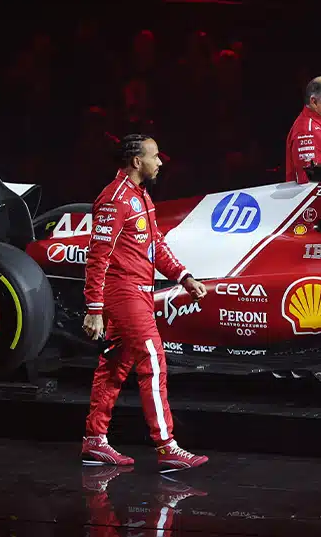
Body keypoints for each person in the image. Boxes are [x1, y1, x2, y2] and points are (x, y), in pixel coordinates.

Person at [81, 134, 210, 472]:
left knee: (114, 366)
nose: (160, 162)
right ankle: (166, 445)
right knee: (152, 361)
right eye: (155, 156)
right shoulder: (114, 199)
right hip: (123, 291)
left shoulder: (142, 197)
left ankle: (95, 441)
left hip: (139, 291)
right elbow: (97, 257)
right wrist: (94, 309)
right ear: (137, 161)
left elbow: (157, 246)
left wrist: (184, 277)